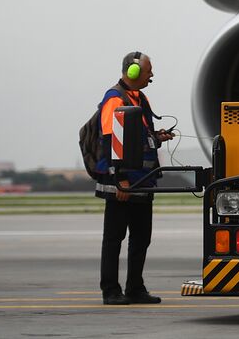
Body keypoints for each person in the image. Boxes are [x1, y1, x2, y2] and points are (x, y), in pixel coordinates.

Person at [95, 51, 173, 304]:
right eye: (148, 71)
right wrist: (121, 180)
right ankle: (110, 290)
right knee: (114, 238)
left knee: (141, 238)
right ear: (133, 72)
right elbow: (110, 142)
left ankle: (135, 288)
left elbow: (138, 139)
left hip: (143, 181)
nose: (152, 75)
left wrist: (156, 137)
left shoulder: (139, 98)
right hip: (124, 184)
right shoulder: (114, 100)